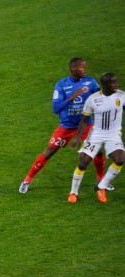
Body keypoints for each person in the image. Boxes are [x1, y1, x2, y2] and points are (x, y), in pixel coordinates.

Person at [19, 58, 110, 194]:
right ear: (73, 69)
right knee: (49, 151)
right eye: (82, 67)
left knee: (97, 152)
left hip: (86, 124)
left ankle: (101, 181)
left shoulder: (90, 81)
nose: (85, 69)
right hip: (66, 126)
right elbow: (56, 109)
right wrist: (72, 97)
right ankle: (27, 180)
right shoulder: (61, 85)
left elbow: (101, 97)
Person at [67, 73, 125, 203]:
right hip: (96, 134)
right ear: (105, 85)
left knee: (120, 159)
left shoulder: (122, 95)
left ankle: (101, 186)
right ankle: (73, 193)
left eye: (116, 82)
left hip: (114, 134)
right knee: (83, 162)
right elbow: (84, 119)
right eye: (113, 83)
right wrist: (77, 137)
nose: (116, 85)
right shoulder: (92, 99)